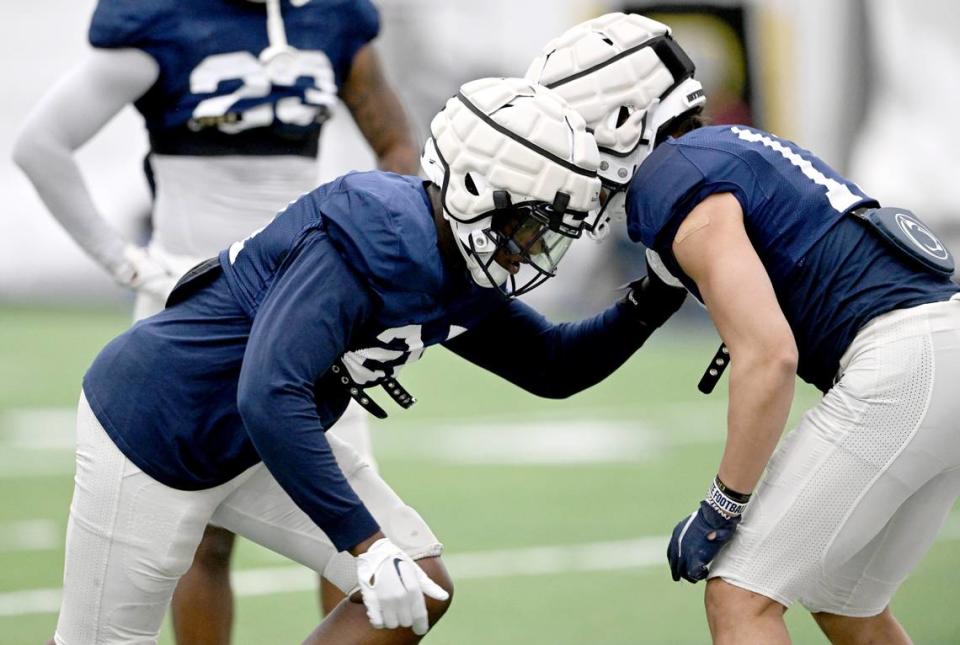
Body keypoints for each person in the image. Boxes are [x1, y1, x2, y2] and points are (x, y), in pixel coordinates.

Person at [48, 76, 686, 644]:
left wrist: (651, 299)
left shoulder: (461, 261)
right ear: (473, 191)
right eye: (529, 227)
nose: (533, 249)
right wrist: (366, 542)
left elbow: (552, 365)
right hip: (156, 431)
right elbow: (270, 392)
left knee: (420, 584)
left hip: (252, 442)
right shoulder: (370, 235)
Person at [527, 12, 960, 645]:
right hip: (938, 349)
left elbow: (768, 356)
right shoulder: (724, 150)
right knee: (848, 608)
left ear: (620, 119)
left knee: (739, 596)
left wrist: (723, 504)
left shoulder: (673, 176)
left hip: (905, 365)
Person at [12, 0, 420, 638]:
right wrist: (122, 260)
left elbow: (395, 142)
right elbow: (40, 145)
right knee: (199, 536)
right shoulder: (161, 20)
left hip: (311, 308)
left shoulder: (332, 18)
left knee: (346, 522)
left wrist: (390, 263)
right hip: (192, 309)